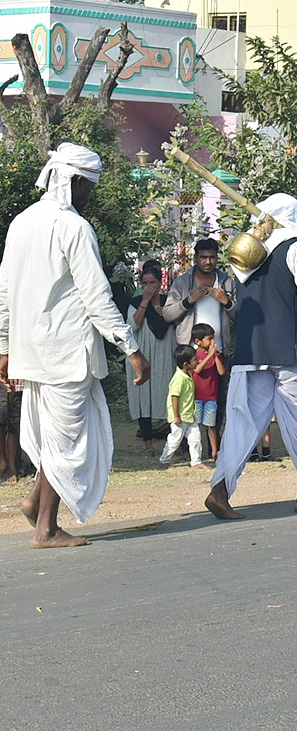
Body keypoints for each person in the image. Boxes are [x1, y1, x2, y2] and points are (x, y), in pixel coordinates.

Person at [0, 142, 149, 548]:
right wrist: (130, 348)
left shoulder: (21, 222)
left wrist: (4, 346)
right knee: (67, 442)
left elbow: (4, 291)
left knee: (56, 437)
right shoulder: (74, 228)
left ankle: (35, 501)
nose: (90, 195)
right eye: (89, 188)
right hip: (66, 354)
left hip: (31, 354)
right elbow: (96, 296)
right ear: (75, 182)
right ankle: (46, 528)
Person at [204, 193, 297, 520]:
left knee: (244, 423)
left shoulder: (246, 253)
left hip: (252, 351)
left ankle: (220, 492)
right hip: (294, 351)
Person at [126, 260, 175, 456]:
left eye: (152, 283)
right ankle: (148, 444)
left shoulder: (169, 301)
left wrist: (166, 313)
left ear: (159, 283)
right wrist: (145, 302)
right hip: (143, 351)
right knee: (143, 396)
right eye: (144, 283)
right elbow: (133, 325)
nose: (148, 287)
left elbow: (177, 320)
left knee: (168, 394)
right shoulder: (135, 303)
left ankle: (174, 443)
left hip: (165, 351)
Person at [164, 237, 237, 354]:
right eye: (203, 257)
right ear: (195, 258)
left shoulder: (226, 282)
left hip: (219, 351)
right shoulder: (182, 283)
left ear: (217, 258)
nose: (208, 262)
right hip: (189, 352)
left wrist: (227, 303)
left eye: (212, 257)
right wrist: (188, 301)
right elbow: (167, 315)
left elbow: (240, 317)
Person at [160, 344, 209, 470]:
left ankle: (196, 461)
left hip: (190, 416)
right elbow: (174, 397)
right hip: (180, 417)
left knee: (195, 439)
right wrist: (176, 416)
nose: (197, 361)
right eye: (194, 360)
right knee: (175, 440)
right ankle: (164, 459)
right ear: (186, 364)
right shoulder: (179, 378)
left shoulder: (188, 375)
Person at [191, 324, 225, 459]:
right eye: (209, 339)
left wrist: (214, 356)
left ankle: (214, 452)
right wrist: (209, 356)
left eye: (213, 338)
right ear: (198, 341)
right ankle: (196, 453)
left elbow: (221, 371)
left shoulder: (216, 355)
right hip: (197, 397)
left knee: (211, 425)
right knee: (196, 426)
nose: (212, 342)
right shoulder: (194, 355)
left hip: (211, 397)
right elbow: (197, 370)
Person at [0, 379, 24, 483]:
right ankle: (9, 466)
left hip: (23, 383)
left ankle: (17, 463)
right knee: (9, 423)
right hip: (12, 383)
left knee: (21, 424)